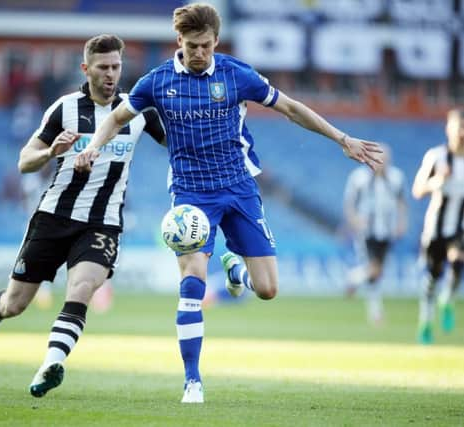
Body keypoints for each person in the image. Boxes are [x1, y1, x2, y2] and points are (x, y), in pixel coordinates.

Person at [74, 3, 383, 403]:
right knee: (191, 284)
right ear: (179, 42)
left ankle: (235, 270)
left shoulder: (237, 75)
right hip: (190, 194)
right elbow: (116, 117)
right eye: (191, 45)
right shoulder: (158, 81)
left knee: (268, 289)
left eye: (205, 45)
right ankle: (192, 381)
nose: (199, 53)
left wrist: (343, 139)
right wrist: (93, 149)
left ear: (216, 41)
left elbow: (290, 108)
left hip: (239, 188)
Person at [0, 35, 166, 398]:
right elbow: (24, 161)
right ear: (86, 69)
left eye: (116, 67)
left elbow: (178, 145)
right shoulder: (65, 109)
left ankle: (51, 363)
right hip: (54, 217)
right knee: (16, 304)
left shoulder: (139, 112)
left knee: (82, 288)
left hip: (103, 222)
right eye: (103, 67)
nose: (110, 74)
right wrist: (51, 153)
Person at [412, 108, 464, 345]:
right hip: (434, 229)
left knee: (457, 261)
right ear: (448, 128)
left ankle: (447, 299)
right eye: (458, 127)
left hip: (458, 227)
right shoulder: (436, 157)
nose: (461, 132)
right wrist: (438, 181)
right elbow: (417, 190)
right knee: (432, 277)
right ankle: (426, 320)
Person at [343, 145, 408, 325]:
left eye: (385, 158)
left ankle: (354, 278)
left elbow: (402, 202)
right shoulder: (359, 178)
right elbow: (350, 204)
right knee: (374, 269)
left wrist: (402, 223)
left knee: (377, 273)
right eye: (378, 158)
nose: (382, 162)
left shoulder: (396, 177)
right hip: (366, 231)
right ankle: (375, 312)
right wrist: (355, 221)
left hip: (386, 231)